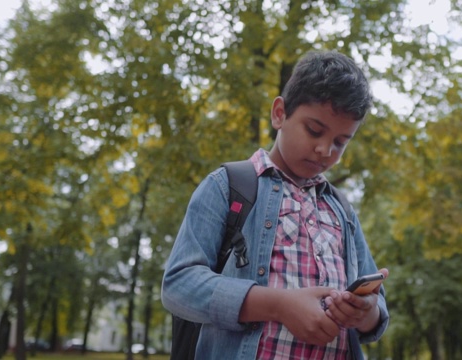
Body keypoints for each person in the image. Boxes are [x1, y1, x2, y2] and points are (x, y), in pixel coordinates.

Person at [161, 50, 389, 359]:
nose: (325, 150)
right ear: (279, 113)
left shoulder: (342, 211)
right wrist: (279, 306)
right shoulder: (228, 187)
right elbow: (179, 285)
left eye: (340, 142)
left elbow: (376, 309)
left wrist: (365, 312)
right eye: (314, 130)